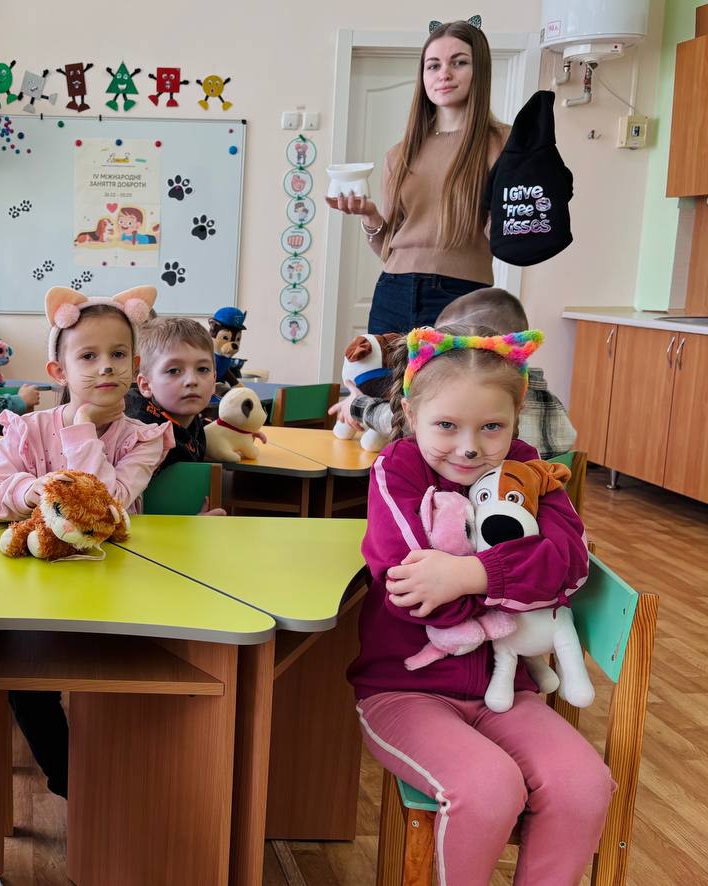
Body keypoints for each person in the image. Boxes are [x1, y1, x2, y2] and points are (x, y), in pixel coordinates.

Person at [348, 323, 613, 885]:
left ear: (515, 420)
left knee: (585, 786)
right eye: (447, 425)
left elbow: (570, 565)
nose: (469, 447)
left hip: (507, 688)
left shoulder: (532, 471)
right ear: (411, 414)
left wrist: (470, 574)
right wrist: (521, 589)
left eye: (491, 427)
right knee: (489, 786)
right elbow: (415, 597)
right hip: (404, 690)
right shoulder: (396, 469)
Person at [0, 286, 173, 799]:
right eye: (88, 356)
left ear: (135, 365)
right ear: (58, 371)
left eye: (118, 354)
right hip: (34, 588)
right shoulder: (28, 430)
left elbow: (109, 504)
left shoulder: (142, 439)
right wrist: (28, 490)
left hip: (117, 589)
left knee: (120, 681)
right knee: (26, 678)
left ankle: (121, 780)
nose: (105, 367)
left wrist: (82, 432)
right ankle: (73, 782)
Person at [327, 18, 509, 333]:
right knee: (373, 369)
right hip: (392, 291)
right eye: (433, 66)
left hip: (462, 296)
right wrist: (370, 215)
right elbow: (387, 249)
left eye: (459, 62)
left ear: (480, 70)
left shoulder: (503, 143)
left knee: (453, 371)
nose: (444, 74)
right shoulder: (399, 154)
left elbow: (506, 235)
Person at [331, 288, 577, 458]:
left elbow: (397, 419)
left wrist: (357, 405)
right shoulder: (550, 402)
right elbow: (569, 438)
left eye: (448, 348)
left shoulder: (471, 394)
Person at [125, 317, 215, 472]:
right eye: (174, 371)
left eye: (202, 369)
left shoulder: (194, 422)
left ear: (214, 381)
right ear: (146, 385)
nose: (192, 380)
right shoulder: (140, 437)